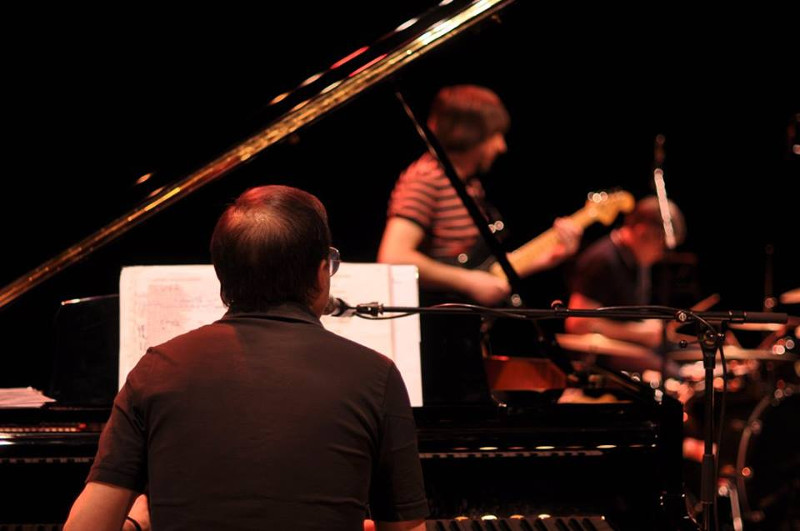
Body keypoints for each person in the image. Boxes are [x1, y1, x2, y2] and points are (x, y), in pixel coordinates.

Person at [64, 185, 428, 531]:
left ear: (221, 275)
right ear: (321, 273)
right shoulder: (375, 376)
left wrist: (134, 523)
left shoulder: (156, 370)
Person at [378, 85, 582, 306]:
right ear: (470, 134)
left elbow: (483, 271)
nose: (501, 146)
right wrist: (468, 282)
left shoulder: (468, 184)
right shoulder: (425, 178)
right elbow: (393, 257)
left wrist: (548, 258)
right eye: (495, 135)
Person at [565, 196, 686, 359]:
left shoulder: (639, 261)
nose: (662, 254)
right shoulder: (602, 260)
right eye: (662, 245)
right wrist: (638, 333)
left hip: (626, 355)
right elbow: (577, 324)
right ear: (643, 232)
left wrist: (647, 328)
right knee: (674, 375)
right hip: (600, 364)